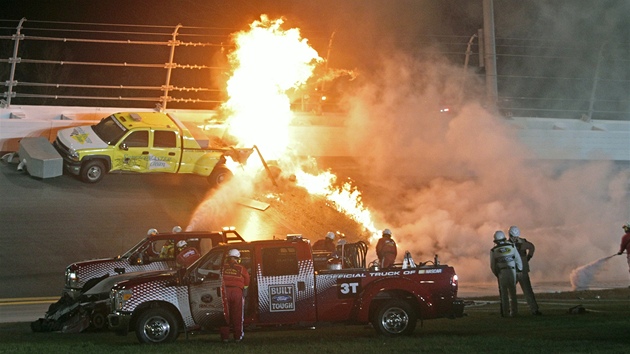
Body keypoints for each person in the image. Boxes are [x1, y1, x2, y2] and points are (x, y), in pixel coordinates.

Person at [508, 226, 542, 315]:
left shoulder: (507, 245)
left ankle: (513, 312)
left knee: (513, 292)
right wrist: (528, 258)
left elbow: (532, 247)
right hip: (520, 271)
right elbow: (532, 247)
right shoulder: (523, 243)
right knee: (527, 291)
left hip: (514, 271)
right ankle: (534, 310)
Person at [490, 230, 523, 317]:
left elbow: (492, 266)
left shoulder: (494, 251)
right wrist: (519, 270)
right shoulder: (512, 246)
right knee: (513, 294)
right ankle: (514, 312)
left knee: (504, 295)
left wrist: (497, 274)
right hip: (512, 271)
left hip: (502, 272)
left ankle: (505, 313)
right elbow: (518, 260)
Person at [220, 249, 250, 343]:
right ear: (238, 258)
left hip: (224, 292)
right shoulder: (241, 268)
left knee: (224, 316)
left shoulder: (222, 268)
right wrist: (244, 290)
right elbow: (247, 280)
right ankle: (238, 337)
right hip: (237, 292)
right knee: (237, 316)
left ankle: (225, 338)